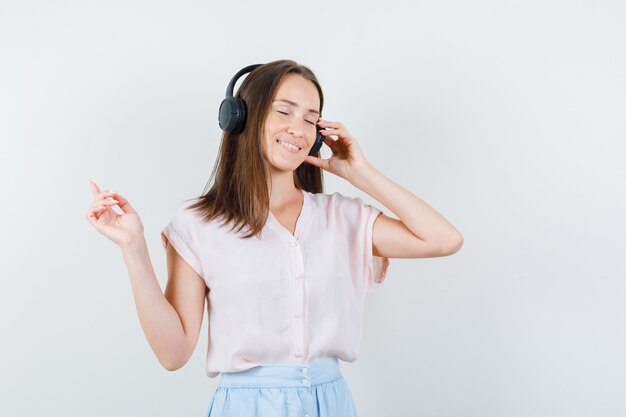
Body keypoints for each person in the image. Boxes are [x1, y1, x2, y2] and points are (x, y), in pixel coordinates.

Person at [86, 59, 463, 417]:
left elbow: (444, 239)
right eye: (284, 111)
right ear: (241, 117)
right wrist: (133, 247)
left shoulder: (342, 217)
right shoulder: (199, 224)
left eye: (311, 119)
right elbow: (173, 353)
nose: (298, 129)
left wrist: (359, 173)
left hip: (330, 403)